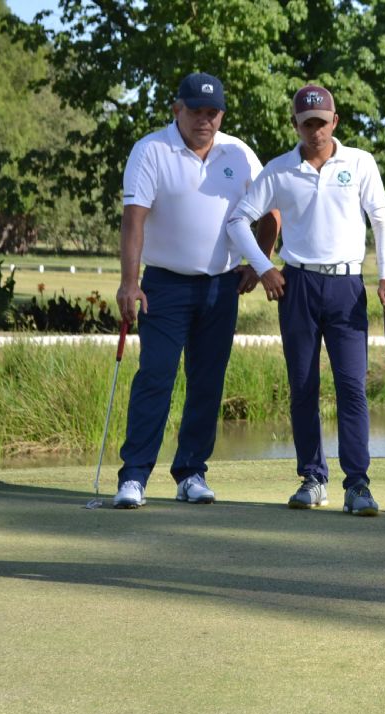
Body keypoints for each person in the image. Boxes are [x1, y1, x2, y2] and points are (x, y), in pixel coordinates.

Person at [227, 83, 385, 517]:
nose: (316, 131)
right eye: (308, 124)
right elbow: (238, 220)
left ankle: (357, 485)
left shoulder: (360, 162)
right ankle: (313, 478)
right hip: (297, 285)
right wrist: (263, 266)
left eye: (322, 122)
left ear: (335, 121)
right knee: (302, 387)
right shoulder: (279, 170)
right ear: (296, 125)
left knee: (352, 387)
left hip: (346, 287)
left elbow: (381, 219)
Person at [112, 72, 279, 510]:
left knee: (207, 382)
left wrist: (258, 266)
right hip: (164, 285)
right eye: (195, 111)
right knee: (156, 378)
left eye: (213, 112)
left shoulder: (239, 153)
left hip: (221, 287)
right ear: (177, 110)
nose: (204, 120)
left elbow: (271, 212)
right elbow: (134, 220)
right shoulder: (151, 150)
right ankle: (134, 477)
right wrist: (129, 283)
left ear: (221, 113)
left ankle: (191, 472)